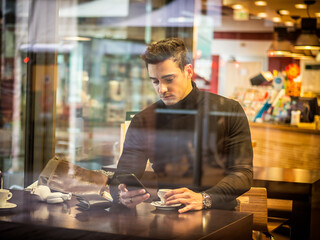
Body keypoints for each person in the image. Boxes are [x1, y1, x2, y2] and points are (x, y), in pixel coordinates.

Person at [111, 37, 253, 214]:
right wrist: (122, 195)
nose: (161, 89)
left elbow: (242, 175)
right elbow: (123, 176)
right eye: (155, 81)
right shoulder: (144, 120)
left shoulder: (229, 110)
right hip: (167, 215)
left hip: (218, 214)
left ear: (188, 71)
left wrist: (204, 198)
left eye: (169, 79)